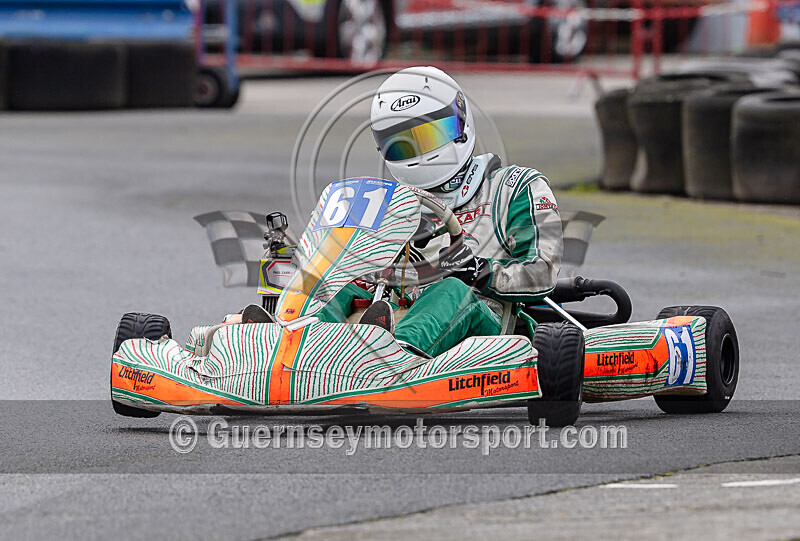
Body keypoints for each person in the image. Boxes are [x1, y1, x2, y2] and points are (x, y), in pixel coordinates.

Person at [246, 66, 564, 358]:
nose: (421, 154)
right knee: (332, 286)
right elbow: (350, 262)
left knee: (451, 288)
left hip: (484, 325)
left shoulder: (515, 187)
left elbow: (543, 274)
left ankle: (394, 358)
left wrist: (477, 271)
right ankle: (287, 346)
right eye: (404, 146)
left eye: (428, 136)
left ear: (460, 124)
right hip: (391, 312)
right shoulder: (384, 202)